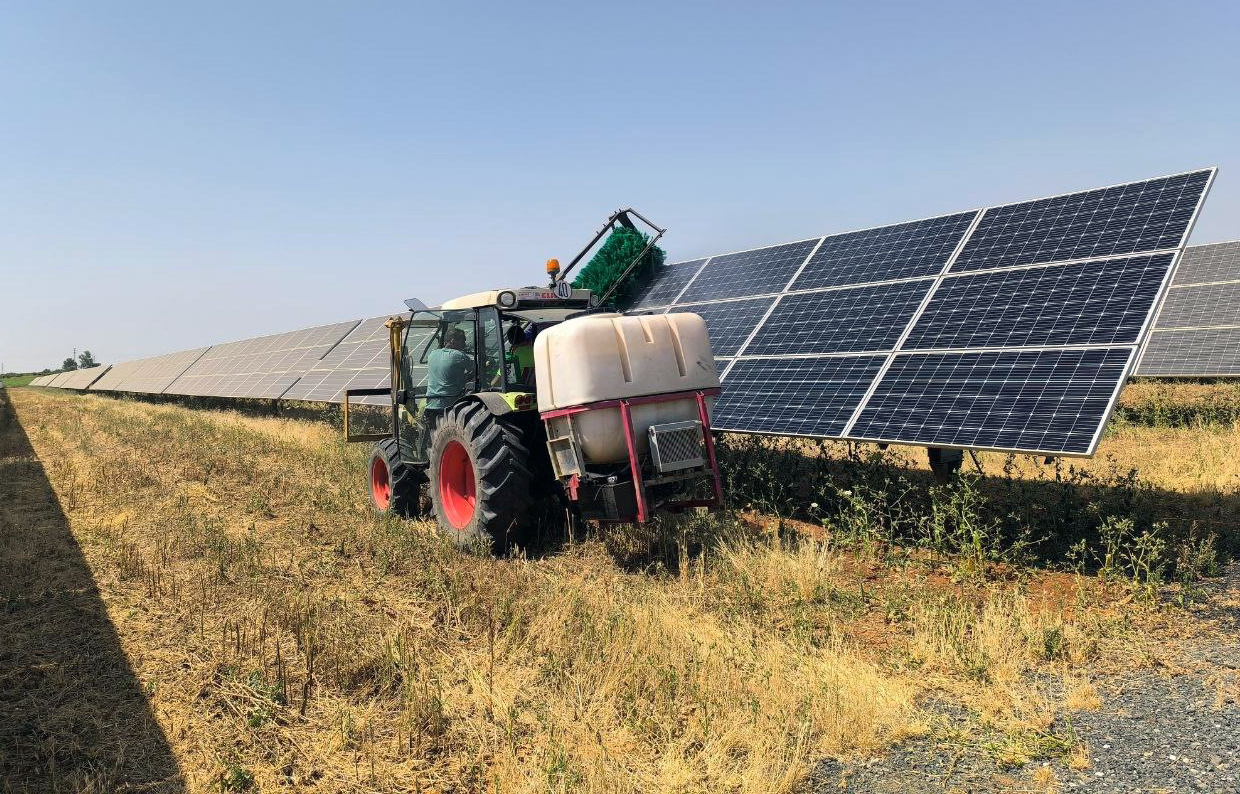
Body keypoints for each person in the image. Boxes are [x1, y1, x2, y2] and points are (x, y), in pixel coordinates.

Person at [425, 327, 473, 410]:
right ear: (453, 341)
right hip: (450, 406)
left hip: (430, 404)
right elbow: (477, 370)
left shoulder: (432, 354)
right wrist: (486, 365)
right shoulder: (459, 355)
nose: (465, 344)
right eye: (463, 341)